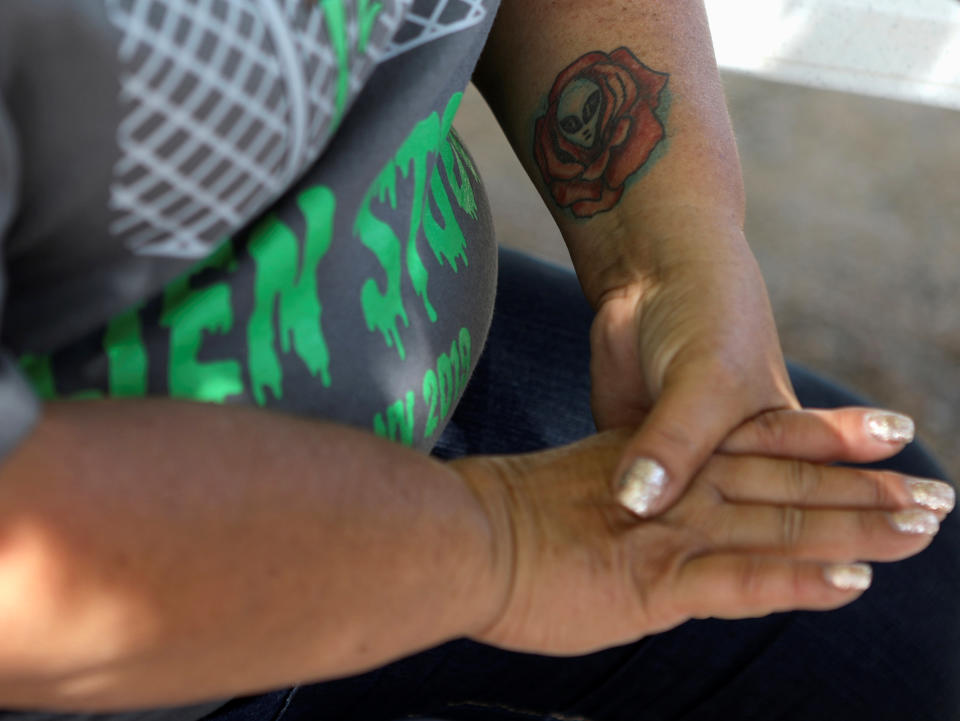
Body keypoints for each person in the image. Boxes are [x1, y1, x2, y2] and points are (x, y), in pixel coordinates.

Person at [0, 1, 956, 720]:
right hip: (118, 627)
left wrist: (671, 252)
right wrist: (502, 549)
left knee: (890, 585)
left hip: (411, 390)